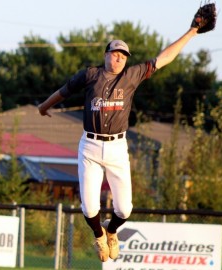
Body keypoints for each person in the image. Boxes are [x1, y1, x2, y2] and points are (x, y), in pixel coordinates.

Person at [38, 25, 205, 262]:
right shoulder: (90, 75)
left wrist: (192, 31)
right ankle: (99, 235)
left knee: (125, 209)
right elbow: (64, 91)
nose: (118, 58)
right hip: (90, 147)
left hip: (117, 147)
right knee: (88, 208)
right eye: (115, 53)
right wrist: (43, 106)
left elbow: (164, 58)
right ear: (106, 55)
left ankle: (112, 231)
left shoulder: (131, 75)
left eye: (123, 56)